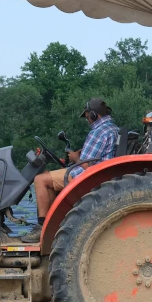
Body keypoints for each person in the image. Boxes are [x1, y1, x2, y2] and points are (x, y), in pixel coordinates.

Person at [21, 98, 119, 243]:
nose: (87, 120)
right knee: (48, 179)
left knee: (40, 179)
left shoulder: (98, 132)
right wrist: (77, 156)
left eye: (87, 116)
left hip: (88, 175)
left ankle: (41, 228)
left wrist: (75, 158)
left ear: (94, 115)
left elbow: (87, 165)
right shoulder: (112, 128)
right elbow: (96, 156)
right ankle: (52, 225)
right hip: (99, 171)